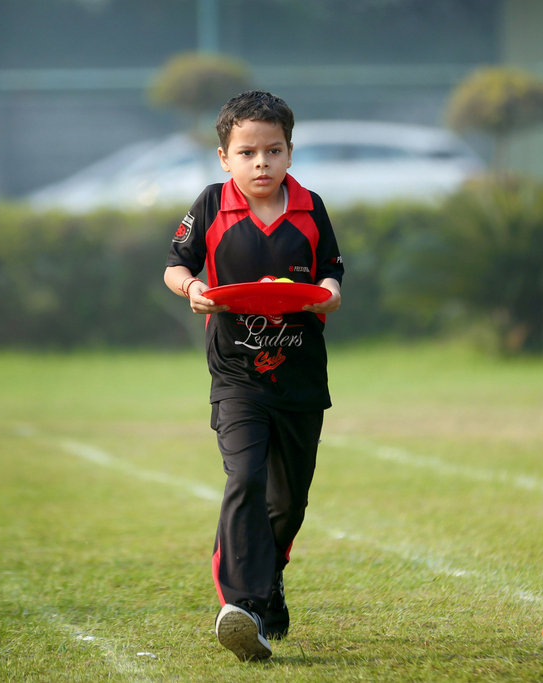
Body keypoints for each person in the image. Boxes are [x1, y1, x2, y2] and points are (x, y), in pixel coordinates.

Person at [164, 90, 343, 661]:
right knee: (245, 477)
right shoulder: (211, 205)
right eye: (247, 152)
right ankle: (243, 608)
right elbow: (176, 265)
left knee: (287, 507)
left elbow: (332, 275)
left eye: (273, 150)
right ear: (224, 158)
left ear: (290, 152)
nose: (260, 163)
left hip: (300, 381)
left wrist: (328, 297)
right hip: (236, 376)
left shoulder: (311, 209)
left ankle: (269, 579)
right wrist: (193, 289)